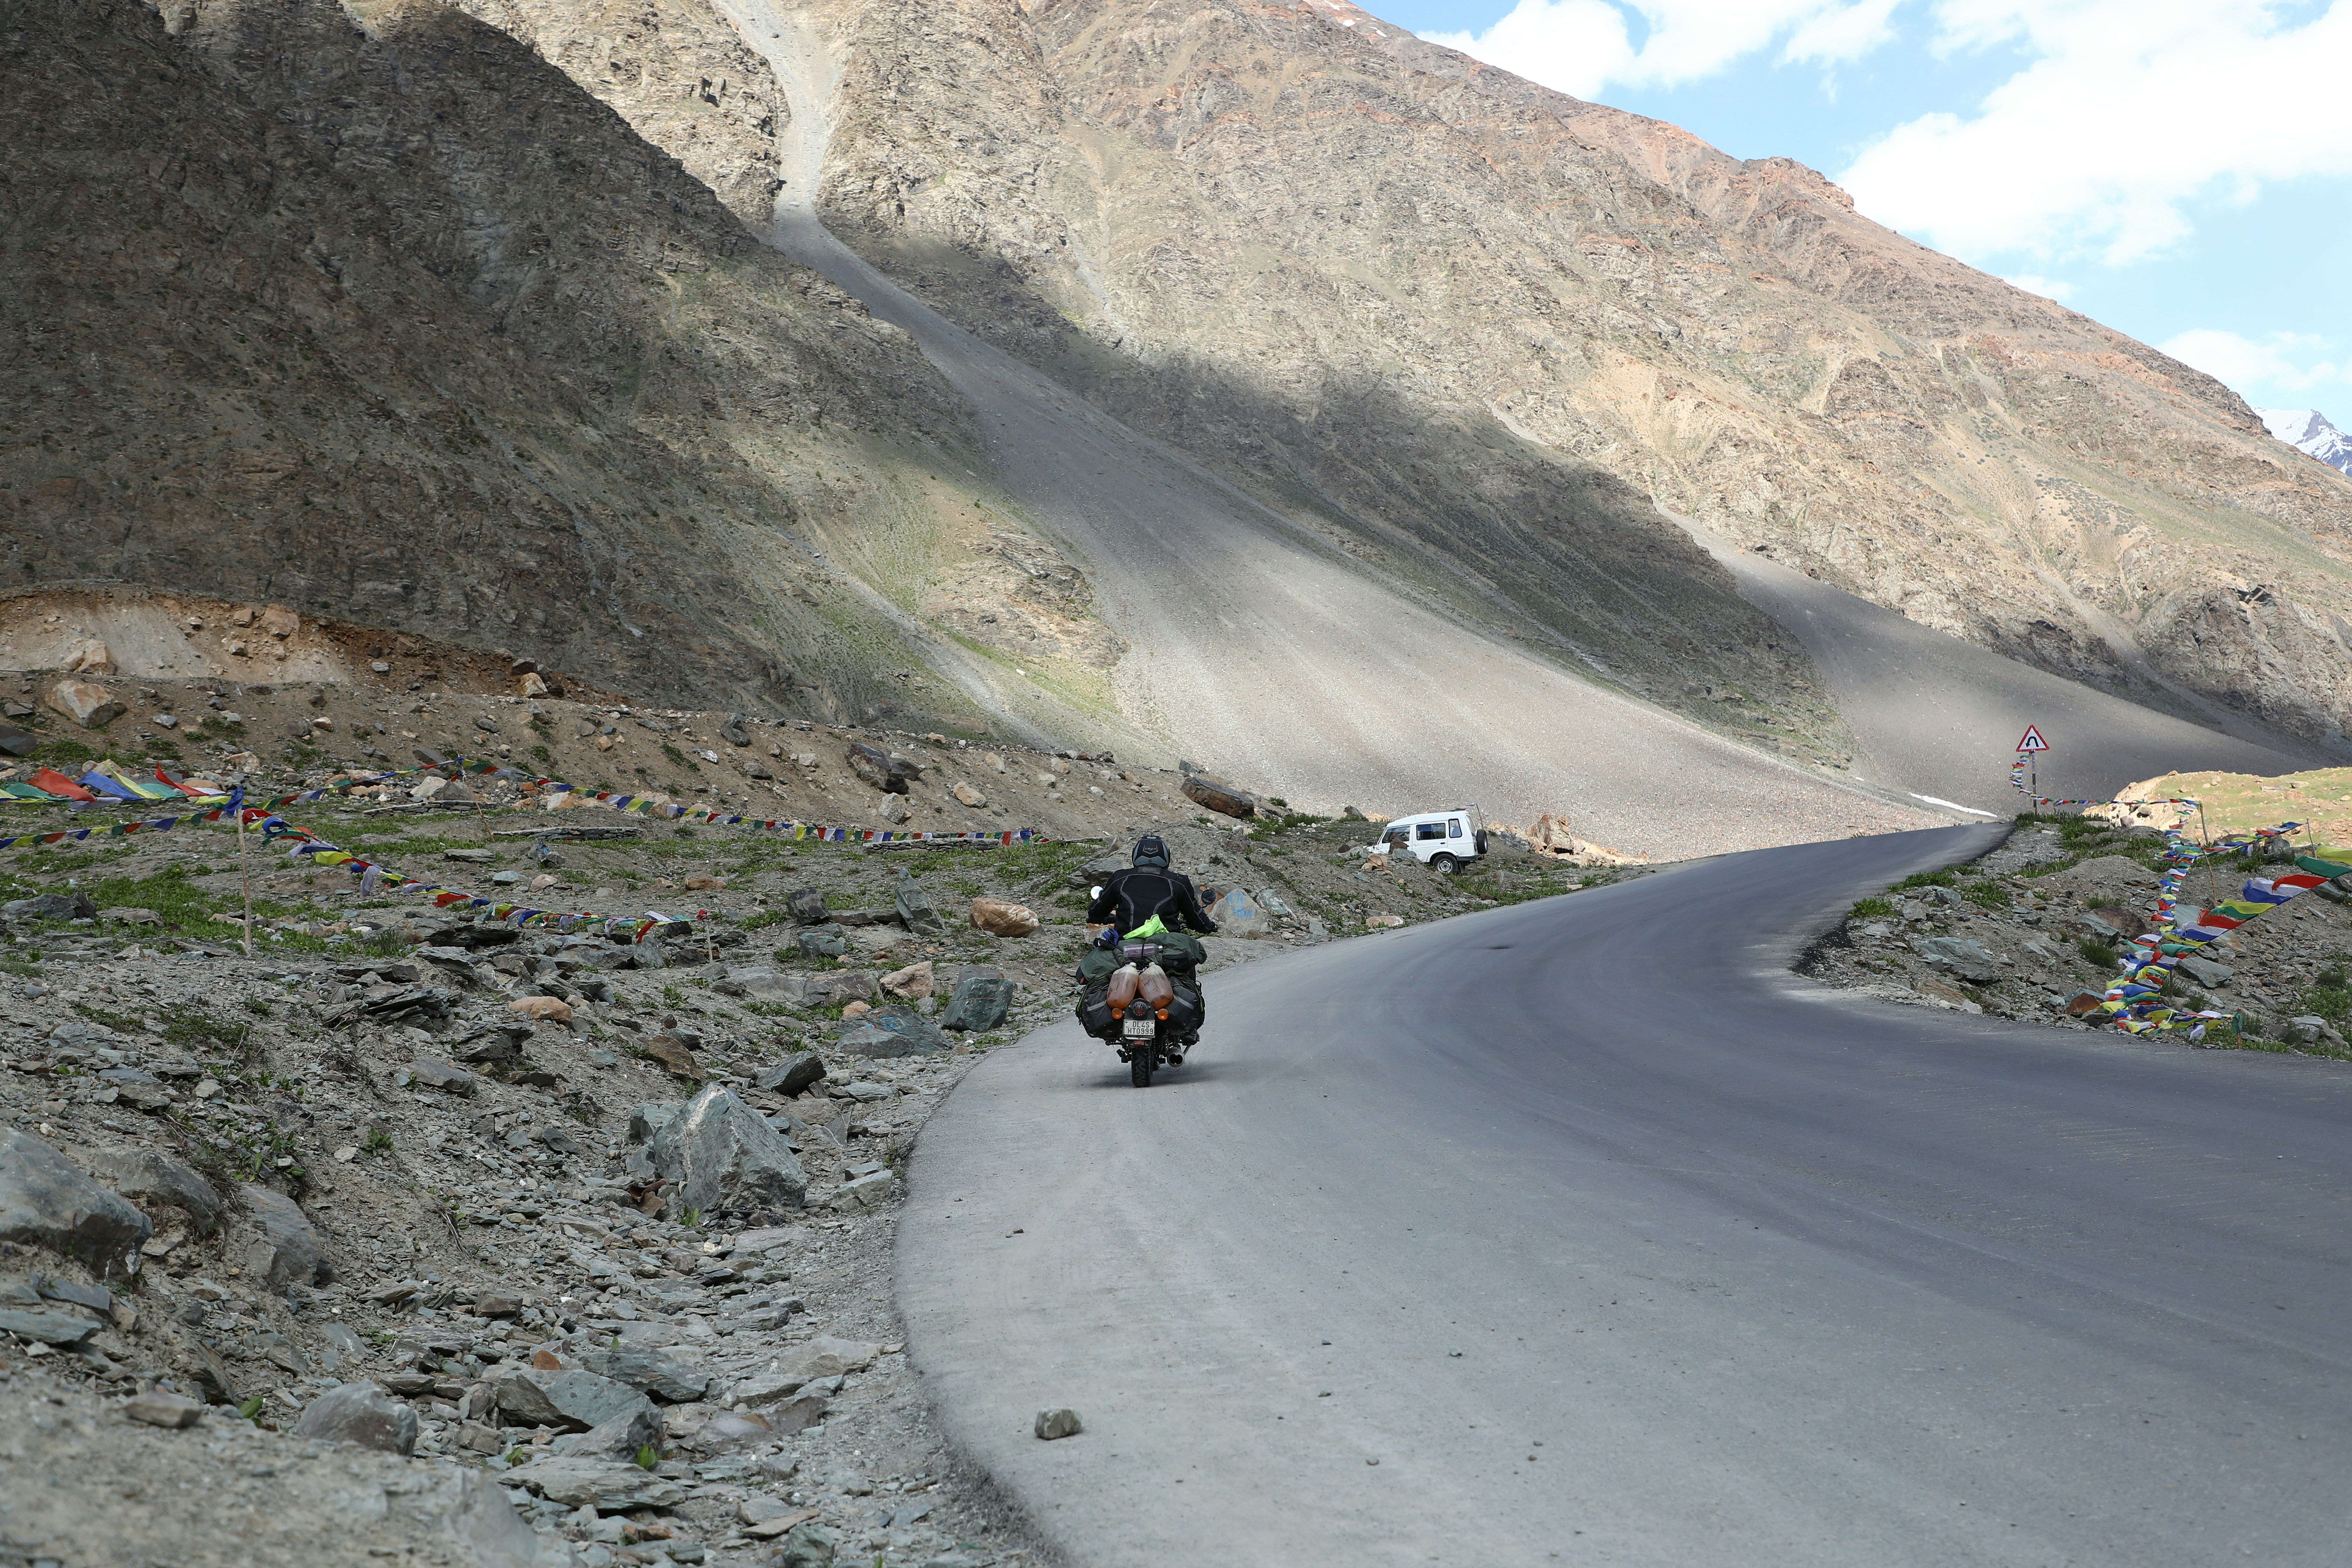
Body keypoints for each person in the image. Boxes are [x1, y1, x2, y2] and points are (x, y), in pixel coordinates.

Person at [1080, 835, 1218, 1049]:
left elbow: (1096, 913)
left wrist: (1100, 917)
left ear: (1136, 856)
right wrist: (1208, 927)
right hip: (1165, 948)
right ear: (1165, 857)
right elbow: (1196, 917)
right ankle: (1188, 1029)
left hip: (1125, 947)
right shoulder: (1178, 881)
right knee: (1186, 964)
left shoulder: (1119, 878)